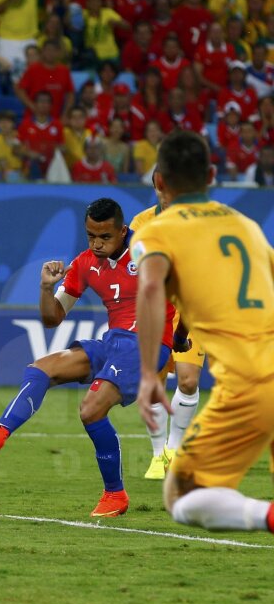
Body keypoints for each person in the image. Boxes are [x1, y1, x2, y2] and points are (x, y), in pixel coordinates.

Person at [0, 198, 176, 519]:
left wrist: (181, 334)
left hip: (147, 344)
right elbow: (53, 318)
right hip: (115, 342)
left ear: (123, 231)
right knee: (40, 370)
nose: (97, 244)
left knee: (90, 409)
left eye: (105, 237)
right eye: (91, 236)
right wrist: (46, 288)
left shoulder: (148, 251)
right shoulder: (85, 263)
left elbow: (186, 289)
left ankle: (114, 494)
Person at [133, 130, 274, 535]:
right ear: (211, 175)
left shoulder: (156, 231)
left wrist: (148, 373)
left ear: (160, 180)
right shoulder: (247, 226)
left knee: (181, 496)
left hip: (252, 384)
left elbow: (150, 287)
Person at [130, 188, 205, 481]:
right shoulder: (141, 222)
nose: (167, 193)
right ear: (156, 188)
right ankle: (157, 453)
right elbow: (134, 261)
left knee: (188, 380)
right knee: (155, 381)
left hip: (190, 307)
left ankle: (173, 449)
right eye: (162, 187)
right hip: (155, 308)